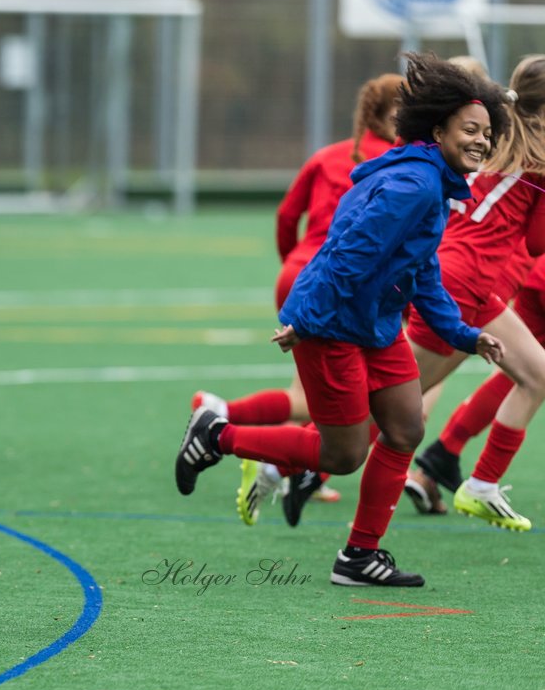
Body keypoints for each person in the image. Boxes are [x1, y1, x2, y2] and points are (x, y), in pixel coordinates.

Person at [176, 52, 507, 588]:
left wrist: (464, 336)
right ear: (439, 127)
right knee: (344, 453)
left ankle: (359, 556)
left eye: (487, 134)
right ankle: (218, 435)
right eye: (471, 129)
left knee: (405, 426)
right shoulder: (417, 185)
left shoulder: (431, 181)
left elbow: (420, 271)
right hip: (332, 324)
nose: (481, 142)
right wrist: (305, 319)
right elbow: (348, 251)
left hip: (373, 324)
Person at [191, 73, 403, 525]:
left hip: (300, 275)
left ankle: (241, 430)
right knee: (366, 401)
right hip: (340, 285)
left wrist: (294, 262)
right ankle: (239, 435)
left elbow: (288, 215)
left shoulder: (328, 155)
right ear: (386, 117)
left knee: (313, 396)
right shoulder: (399, 166)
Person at [396, 54, 545, 531]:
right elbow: (538, 242)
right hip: (464, 282)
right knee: (392, 405)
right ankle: (275, 458)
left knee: (538, 375)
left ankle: (481, 485)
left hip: (471, 283)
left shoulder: (494, 137)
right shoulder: (536, 159)